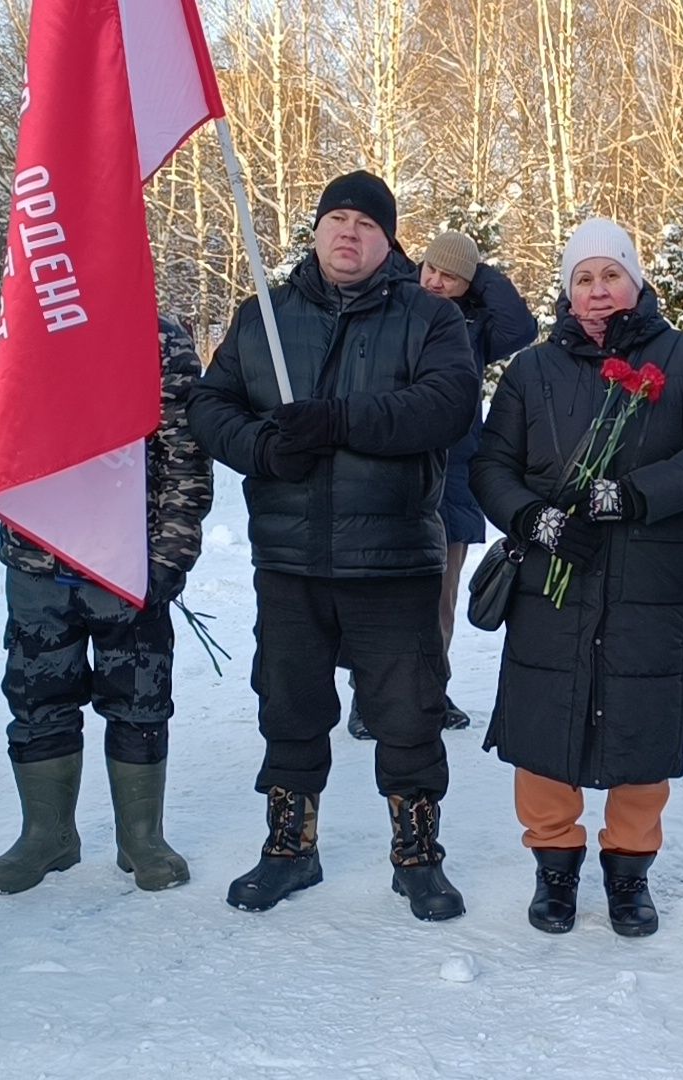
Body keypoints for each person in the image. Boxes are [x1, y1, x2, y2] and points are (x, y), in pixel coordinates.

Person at [189, 171, 479, 922]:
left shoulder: (428, 319)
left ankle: (417, 856)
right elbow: (210, 407)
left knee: (408, 713)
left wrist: (338, 422)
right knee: (289, 706)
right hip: (290, 557)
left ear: (389, 242)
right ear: (316, 231)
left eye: (368, 225)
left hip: (392, 557)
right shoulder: (264, 317)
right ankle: (290, 848)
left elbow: (446, 406)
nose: (349, 234)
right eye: (337, 219)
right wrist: (261, 446)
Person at [470, 218, 683, 936]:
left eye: (611, 275)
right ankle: (554, 866)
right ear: (567, 291)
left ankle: (629, 870)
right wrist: (537, 521)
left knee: (639, 725)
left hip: (648, 582)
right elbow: (491, 466)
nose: (598, 291)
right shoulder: (532, 371)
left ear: (637, 280)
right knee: (544, 721)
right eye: (583, 278)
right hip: (553, 579)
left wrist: (637, 494)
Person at [0, 315, 212, 894]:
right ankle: (47, 836)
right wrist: (24, 422)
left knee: (140, 697)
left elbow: (185, 452)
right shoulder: (21, 327)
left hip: (127, 557)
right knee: (37, 695)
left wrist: (171, 554)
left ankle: (141, 838)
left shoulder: (156, 337)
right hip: (37, 558)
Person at [346, 230, 535, 741]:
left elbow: (522, 328)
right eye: (430, 268)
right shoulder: (398, 304)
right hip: (394, 469)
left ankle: (430, 688)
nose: (434, 280)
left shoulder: (475, 327)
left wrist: (479, 270)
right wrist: (425, 269)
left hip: (451, 473)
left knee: (441, 594)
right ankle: (369, 697)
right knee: (386, 591)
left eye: (448, 276)